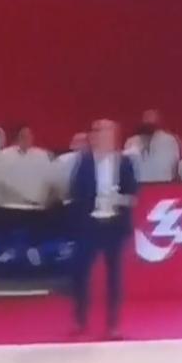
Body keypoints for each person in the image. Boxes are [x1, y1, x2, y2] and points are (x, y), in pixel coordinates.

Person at [69, 119, 138, 339]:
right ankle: (80, 320)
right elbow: (75, 191)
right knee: (80, 272)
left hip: (114, 225)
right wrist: (92, 202)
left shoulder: (124, 163)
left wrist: (118, 199)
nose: (103, 137)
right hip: (89, 225)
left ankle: (113, 325)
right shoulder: (85, 162)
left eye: (107, 133)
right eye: (99, 133)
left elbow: (134, 197)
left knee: (114, 276)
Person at [123, 108, 182, 183]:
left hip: (162, 186)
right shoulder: (131, 142)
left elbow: (176, 168)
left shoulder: (170, 140)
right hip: (143, 186)